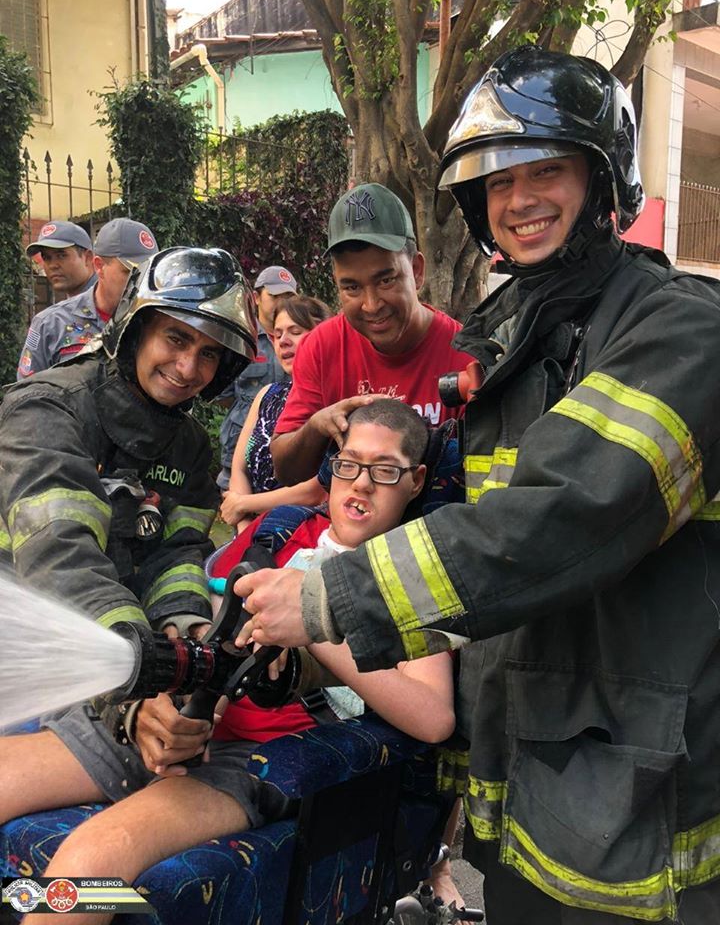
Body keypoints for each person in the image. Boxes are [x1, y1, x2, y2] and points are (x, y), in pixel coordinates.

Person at [233, 47, 720, 924]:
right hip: (542, 771)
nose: (520, 199)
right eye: (498, 182)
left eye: (547, 170)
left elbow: (563, 521)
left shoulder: (679, 329)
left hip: (647, 802)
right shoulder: (523, 337)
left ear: (605, 179)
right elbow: (475, 536)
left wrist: (331, 597)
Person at [0, 401, 455, 925]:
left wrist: (314, 615)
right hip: (192, 724)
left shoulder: (415, 576)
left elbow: (434, 717)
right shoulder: (279, 534)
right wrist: (157, 707)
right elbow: (212, 628)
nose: (362, 484)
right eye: (349, 464)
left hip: (270, 756)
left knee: (89, 863)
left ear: (416, 480)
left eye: (386, 470)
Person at [0, 246, 256, 637]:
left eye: (209, 353)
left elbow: (180, 550)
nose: (188, 368)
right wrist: (131, 652)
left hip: (107, 629)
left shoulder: (188, 444)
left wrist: (185, 622)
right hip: (25, 628)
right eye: (175, 338)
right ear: (136, 332)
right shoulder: (48, 411)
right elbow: (59, 552)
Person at [270, 183, 475, 485]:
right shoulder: (321, 346)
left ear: (417, 271)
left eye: (386, 279)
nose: (371, 304)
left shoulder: (464, 354)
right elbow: (286, 472)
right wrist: (318, 426)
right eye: (351, 287)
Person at [219, 294, 332, 533]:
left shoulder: (336, 400)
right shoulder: (267, 395)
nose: (283, 341)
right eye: (278, 334)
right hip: (250, 532)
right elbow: (239, 468)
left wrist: (243, 504)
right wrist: (245, 528)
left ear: (325, 336)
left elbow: (319, 489)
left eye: (295, 331)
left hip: (306, 536)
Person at [17, 218, 158, 379]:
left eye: (149, 272)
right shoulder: (49, 323)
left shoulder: (158, 318)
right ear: (99, 266)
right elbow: (27, 395)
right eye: (130, 272)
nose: (141, 281)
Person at [216, 265, 298, 490]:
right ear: (256, 297)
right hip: (239, 450)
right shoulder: (240, 339)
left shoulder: (306, 339)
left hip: (287, 451)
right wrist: (253, 414)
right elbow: (224, 394)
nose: (282, 302)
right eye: (274, 296)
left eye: (288, 296)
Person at [25, 220, 96, 299]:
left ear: (87, 258)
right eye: (46, 258)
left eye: (61, 256)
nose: (52, 265)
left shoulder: (105, 301)